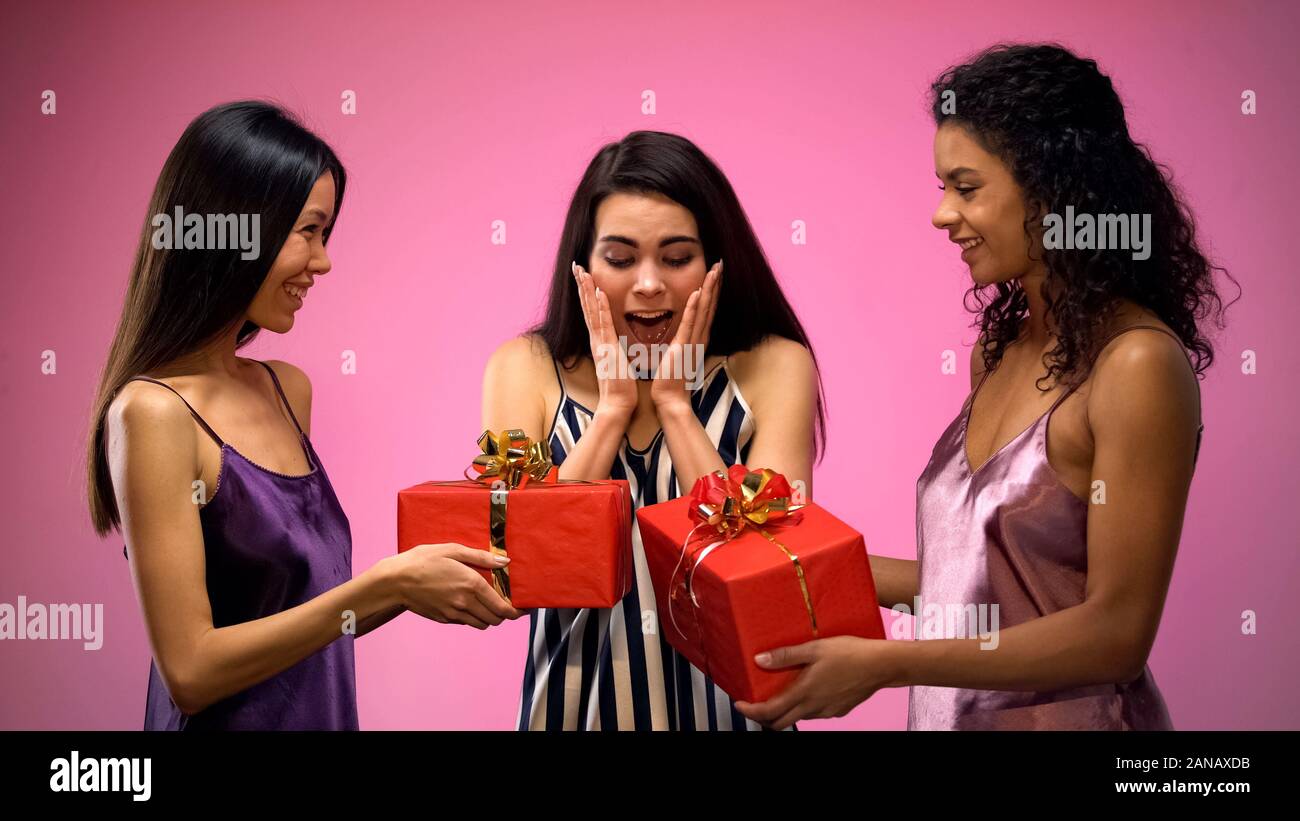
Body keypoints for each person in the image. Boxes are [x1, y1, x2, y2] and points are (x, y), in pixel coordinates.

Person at [737, 43, 1236, 730]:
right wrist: (790, 558)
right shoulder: (998, 353)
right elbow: (983, 581)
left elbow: (1117, 634)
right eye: (943, 187)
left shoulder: (1138, 366)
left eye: (966, 188)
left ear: (1056, 188)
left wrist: (889, 662)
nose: (943, 215)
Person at [87, 100, 519, 730]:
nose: (323, 261)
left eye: (326, 234)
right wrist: (387, 584)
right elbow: (191, 672)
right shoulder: (152, 414)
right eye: (309, 231)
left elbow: (306, 622)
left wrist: (416, 585)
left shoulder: (287, 389)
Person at [481, 131, 826, 730]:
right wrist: (612, 413)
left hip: (734, 714)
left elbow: (765, 568)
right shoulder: (523, 366)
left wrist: (674, 406)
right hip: (574, 711)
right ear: (583, 264)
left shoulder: (776, 364)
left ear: (717, 261)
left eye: (676, 257)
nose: (648, 284)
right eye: (619, 259)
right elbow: (520, 567)